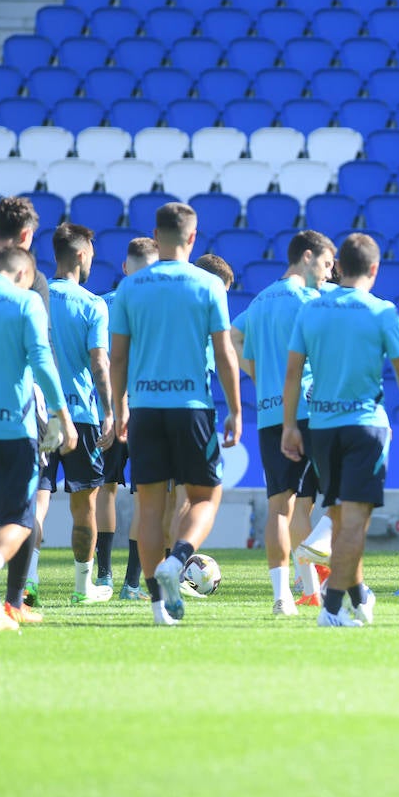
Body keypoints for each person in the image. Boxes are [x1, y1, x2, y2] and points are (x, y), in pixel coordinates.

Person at [283, 233, 399, 627]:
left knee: (343, 518)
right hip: (364, 427)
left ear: (339, 267)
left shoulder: (311, 311)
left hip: (323, 429)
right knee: (354, 523)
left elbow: (293, 371)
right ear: (375, 269)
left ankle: (360, 597)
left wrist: (291, 425)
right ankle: (331, 610)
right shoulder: (382, 311)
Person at [109, 203, 241, 626]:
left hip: (145, 407)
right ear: (192, 237)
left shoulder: (131, 287)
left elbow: (117, 357)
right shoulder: (208, 285)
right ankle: (179, 558)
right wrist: (236, 409)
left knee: (148, 508)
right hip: (192, 409)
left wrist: (119, 407)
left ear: (156, 234)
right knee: (205, 497)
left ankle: (157, 609)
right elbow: (223, 353)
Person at [232, 230, 336, 617]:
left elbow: (232, 336)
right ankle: (326, 563)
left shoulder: (260, 301)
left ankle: (286, 595)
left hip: (271, 413)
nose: (328, 275)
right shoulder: (312, 299)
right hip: (312, 408)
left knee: (283, 507)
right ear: (307, 257)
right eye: (326, 265)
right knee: (346, 493)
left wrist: (258, 374)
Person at [0, 246, 77, 631]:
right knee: (20, 522)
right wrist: (62, 416)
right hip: (12, 431)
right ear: (24, 274)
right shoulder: (26, 302)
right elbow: (41, 361)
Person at [36, 224, 117, 606]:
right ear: (82, 255)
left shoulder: (34, 299)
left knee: (36, 499)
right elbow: (99, 363)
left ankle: (28, 582)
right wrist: (110, 411)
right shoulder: (92, 304)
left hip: (39, 416)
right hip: (81, 416)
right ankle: (83, 588)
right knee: (84, 505)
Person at [0, 197, 50, 618]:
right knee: (21, 509)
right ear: (27, 235)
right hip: (18, 409)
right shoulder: (29, 281)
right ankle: (12, 602)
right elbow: (40, 353)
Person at [98, 237, 158, 600]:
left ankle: (103, 576)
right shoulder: (156, 307)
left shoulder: (102, 303)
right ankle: (131, 584)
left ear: (125, 267)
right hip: (147, 407)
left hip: (106, 407)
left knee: (104, 491)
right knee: (144, 497)